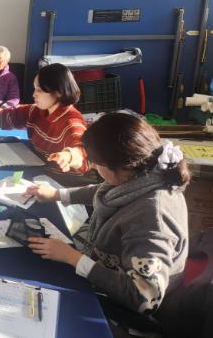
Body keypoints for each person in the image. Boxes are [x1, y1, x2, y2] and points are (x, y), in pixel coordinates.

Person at [24, 113, 189, 326]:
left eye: (97, 163)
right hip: (105, 271)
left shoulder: (153, 219)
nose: (93, 167)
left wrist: (72, 258)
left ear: (123, 165)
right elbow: (106, 191)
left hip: (125, 312)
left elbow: (144, 297)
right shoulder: (144, 171)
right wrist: (57, 195)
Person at [0, 63, 90, 178]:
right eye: (34, 89)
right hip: (38, 167)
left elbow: (82, 151)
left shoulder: (72, 123)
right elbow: (8, 115)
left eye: (39, 90)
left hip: (59, 180)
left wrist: (68, 156)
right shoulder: (37, 110)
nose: (34, 94)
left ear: (59, 92)